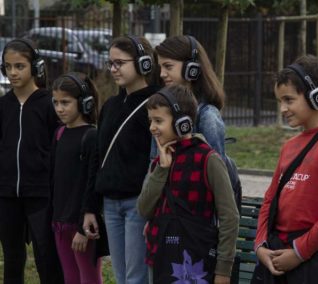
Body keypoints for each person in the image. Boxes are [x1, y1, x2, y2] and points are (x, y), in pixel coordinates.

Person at [252, 55, 318, 283]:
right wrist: (261, 245)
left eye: (289, 100)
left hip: (312, 262)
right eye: (280, 101)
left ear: (316, 96)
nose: (283, 108)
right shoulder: (289, 146)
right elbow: (270, 199)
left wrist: (299, 252)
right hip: (276, 254)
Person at [137, 84, 239, 284]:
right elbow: (144, 209)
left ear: (183, 123)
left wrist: (223, 270)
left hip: (195, 265)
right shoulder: (160, 162)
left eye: (158, 121)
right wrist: (161, 170)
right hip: (159, 258)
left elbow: (230, 217)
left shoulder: (208, 159)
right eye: (150, 121)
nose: (152, 127)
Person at [83, 35, 160, 284]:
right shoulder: (110, 106)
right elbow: (97, 159)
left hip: (137, 204)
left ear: (144, 64)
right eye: (110, 63)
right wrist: (90, 207)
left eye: (119, 63)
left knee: (135, 278)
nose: (113, 69)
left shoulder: (156, 104)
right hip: (110, 205)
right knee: (121, 276)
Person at [0, 38, 64, 283]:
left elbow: (58, 146)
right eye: (7, 67)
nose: (12, 73)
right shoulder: (3, 105)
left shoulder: (49, 104)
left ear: (35, 67)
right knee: (12, 256)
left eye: (19, 66)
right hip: (7, 194)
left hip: (41, 194)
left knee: (46, 255)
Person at [51, 72, 107, 284]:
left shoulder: (91, 136)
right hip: (59, 223)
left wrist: (82, 229)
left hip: (82, 225)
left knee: (89, 278)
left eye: (65, 102)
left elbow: (91, 183)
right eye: (55, 102)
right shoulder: (59, 134)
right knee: (70, 278)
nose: (59, 108)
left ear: (84, 103)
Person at [155, 35, 226, 158]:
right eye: (160, 67)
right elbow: (153, 163)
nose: (162, 74)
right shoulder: (162, 110)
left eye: (168, 66)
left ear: (191, 68)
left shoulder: (207, 116)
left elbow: (217, 170)